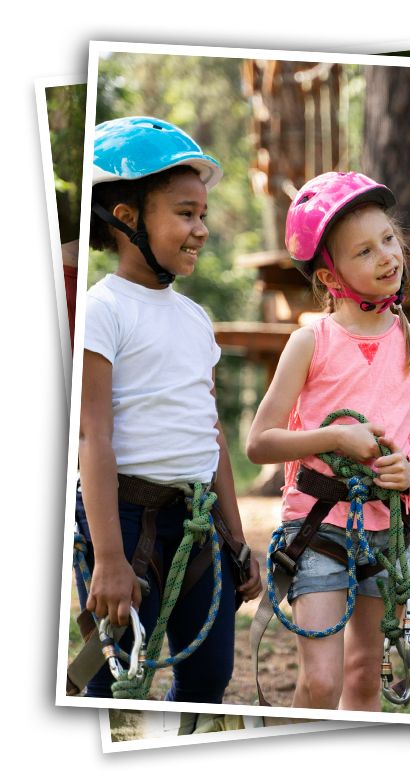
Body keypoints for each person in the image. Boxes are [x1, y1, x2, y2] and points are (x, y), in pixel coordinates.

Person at [76, 116, 261, 702]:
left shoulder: (194, 318)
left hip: (198, 524)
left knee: (209, 678)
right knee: (110, 679)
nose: (201, 229)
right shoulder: (102, 310)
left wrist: (235, 538)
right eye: (185, 213)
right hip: (124, 520)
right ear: (126, 218)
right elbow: (93, 436)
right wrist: (107, 557)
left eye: (203, 214)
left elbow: (209, 435)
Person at [246, 171, 410, 711]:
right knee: (322, 680)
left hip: (389, 529)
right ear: (332, 278)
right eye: (364, 250)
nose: (387, 256)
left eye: (388, 239)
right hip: (317, 525)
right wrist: (334, 436)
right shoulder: (309, 342)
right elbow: (259, 443)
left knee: (363, 677)